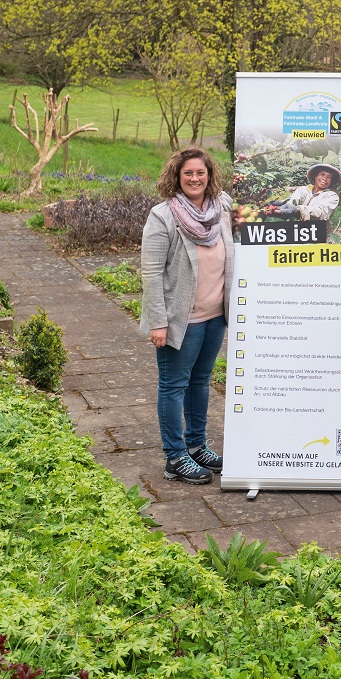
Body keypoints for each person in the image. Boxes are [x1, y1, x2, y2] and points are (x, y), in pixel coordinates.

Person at [140, 146, 233, 484]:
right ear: (177, 177)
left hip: (215, 316)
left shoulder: (222, 209)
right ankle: (175, 457)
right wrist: (158, 322)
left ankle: (196, 446)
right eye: (188, 173)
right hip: (180, 319)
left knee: (201, 381)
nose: (195, 178)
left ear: (210, 176)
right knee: (174, 385)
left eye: (200, 173)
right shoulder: (162, 216)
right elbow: (150, 273)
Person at [276, 163, 341, 221]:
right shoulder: (302, 190)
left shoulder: (332, 196)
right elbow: (294, 199)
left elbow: (321, 212)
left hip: (317, 231)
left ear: (331, 181)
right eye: (322, 174)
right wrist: (281, 204)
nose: (324, 178)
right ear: (315, 176)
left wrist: (299, 209)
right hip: (298, 229)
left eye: (329, 177)